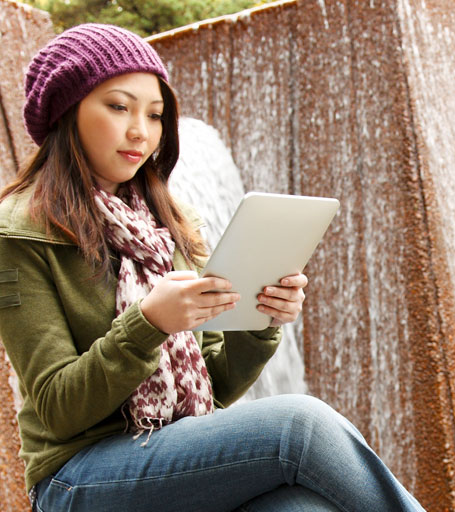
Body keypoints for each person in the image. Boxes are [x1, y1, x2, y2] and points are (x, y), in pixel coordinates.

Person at [0, 23, 426, 512]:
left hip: (179, 450)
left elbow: (218, 386)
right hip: (77, 476)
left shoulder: (171, 225)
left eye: (155, 115)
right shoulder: (19, 232)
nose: (141, 130)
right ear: (66, 112)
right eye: (119, 107)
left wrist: (262, 319)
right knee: (300, 426)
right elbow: (57, 408)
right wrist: (148, 325)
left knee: (301, 508)